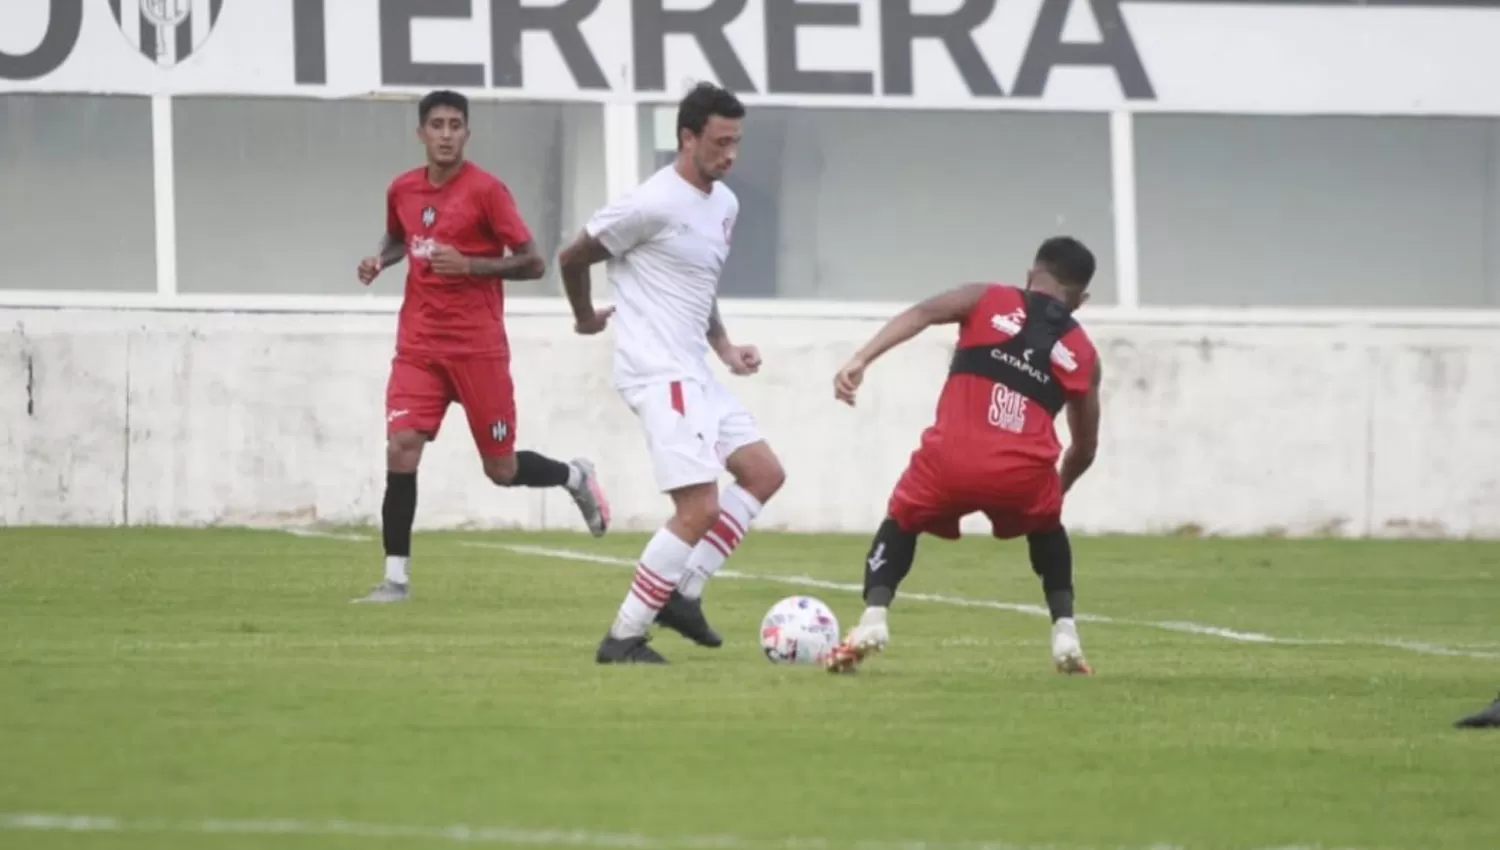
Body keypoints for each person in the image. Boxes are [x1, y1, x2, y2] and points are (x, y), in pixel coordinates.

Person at [557, 82, 787, 664]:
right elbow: (572, 255)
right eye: (719, 142)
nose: (730, 155)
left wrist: (725, 347)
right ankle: (624, 637)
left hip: (694, 370)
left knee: (763, 473)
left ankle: (684, 592)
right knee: (699, 510)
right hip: (657, 372)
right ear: (687, 138)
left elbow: (697, 285)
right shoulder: (650, 203)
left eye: (737, 142)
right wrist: (586, 316)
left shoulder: (725, 205)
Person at [352, 89, 610, 604]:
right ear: (420, 132)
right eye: (437, 125)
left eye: (455, 125)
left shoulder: (488, 192)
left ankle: (573, 476)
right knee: (401, 447)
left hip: (478, 350)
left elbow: (534, 261)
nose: (446, 134)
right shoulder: (402, 189)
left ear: (467, 133)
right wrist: (380, 259)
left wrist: (471, 265)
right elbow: (400, 236)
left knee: (502, 470)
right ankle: (395, 580)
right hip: (419, 346)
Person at [823, 236, 1104, 675]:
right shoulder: (1084, 353)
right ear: (1081, 300)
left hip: (950, 461)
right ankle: (1064, 630)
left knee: (902, 519)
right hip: (1022, 473)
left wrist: (861, 359)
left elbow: (921, 313)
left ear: (1030, 275)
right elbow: (1085, 448)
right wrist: (1053, 492)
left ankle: (874, 617)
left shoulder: (986, 298)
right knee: (1048, 527)